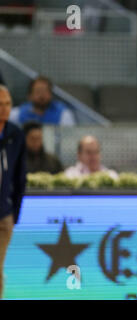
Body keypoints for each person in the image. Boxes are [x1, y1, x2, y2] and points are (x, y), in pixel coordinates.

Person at [0, 85, 26, 299]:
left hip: (3, 214)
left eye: (8, 104)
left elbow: (20, 177)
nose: (4, 109)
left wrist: (14, 213)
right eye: (0, 104)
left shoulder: (15, 134)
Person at [9, 76, 76, 126]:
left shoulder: (63, 114)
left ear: (51, 95)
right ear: (29, 96)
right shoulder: (16, 114)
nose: (42, 95)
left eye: (45, 91)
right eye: (38, 91)